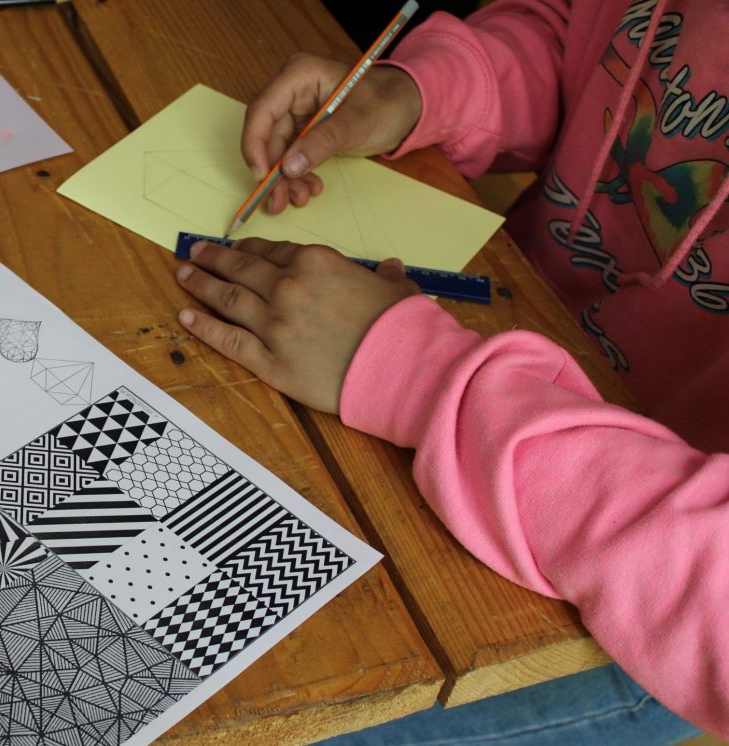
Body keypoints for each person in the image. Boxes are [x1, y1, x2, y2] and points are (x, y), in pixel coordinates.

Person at [172, 0, 729, 741]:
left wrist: (417, 374)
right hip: (495, 332)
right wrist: (425, 91)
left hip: (646, 614)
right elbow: (583, 36)